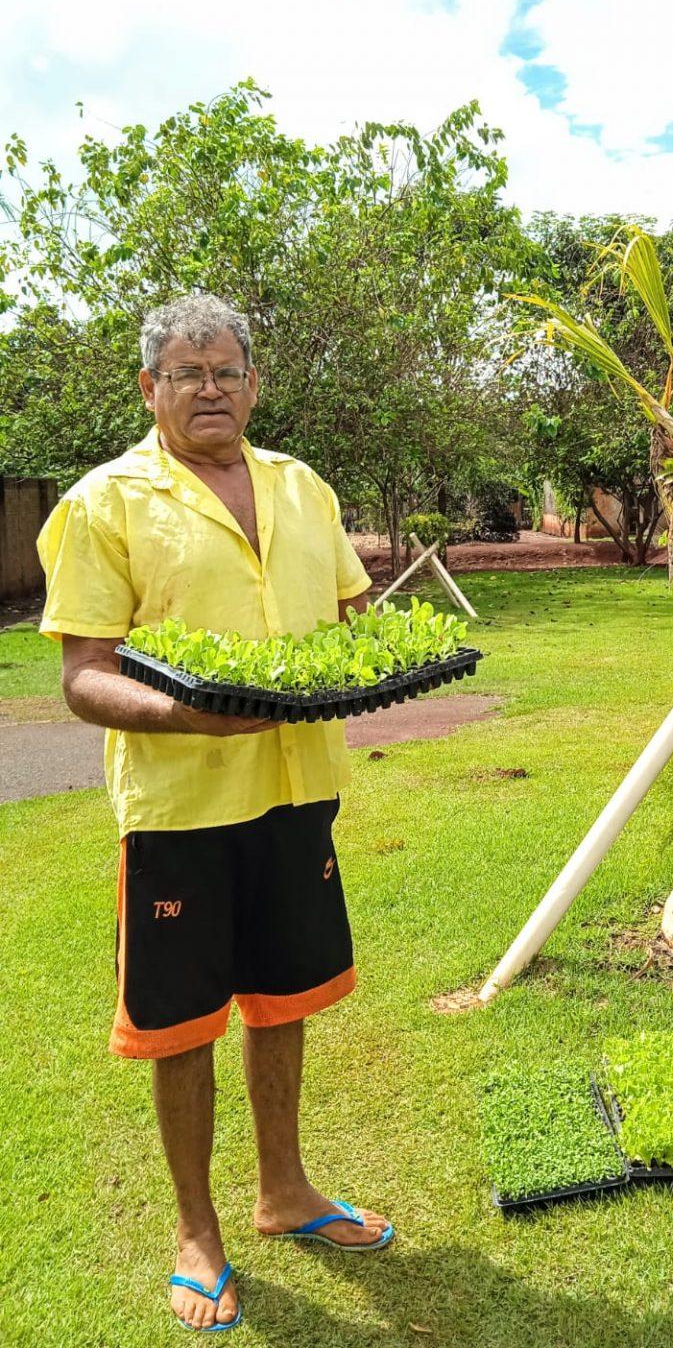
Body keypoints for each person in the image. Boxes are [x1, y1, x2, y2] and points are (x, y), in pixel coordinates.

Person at [38, 295, 394, 1334]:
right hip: (181, 808)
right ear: (149, 388)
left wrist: (372, 667)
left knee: (285, 998)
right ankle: (199, 1232)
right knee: (180, 1024)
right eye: (186, 372)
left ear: (254, 384)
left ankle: (284, 1191)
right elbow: (84, 678)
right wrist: (194, 717)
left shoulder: (302, 486)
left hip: (296, 794)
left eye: (226, 370)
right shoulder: (105, 502)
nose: (210, 388)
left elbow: (347, 626)